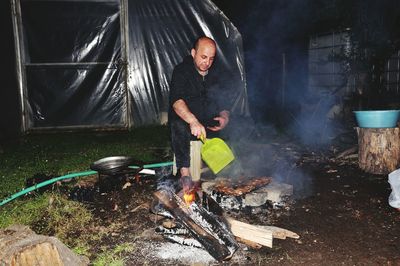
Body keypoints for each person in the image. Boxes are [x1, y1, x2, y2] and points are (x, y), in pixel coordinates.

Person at [169, 36, 230, 192]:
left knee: (242, 123)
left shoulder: (215, 74)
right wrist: (193, 121)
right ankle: (185, 173)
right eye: (203, 57)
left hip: (207, 122)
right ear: (193, 53)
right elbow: (177, 102)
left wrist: (224, 117)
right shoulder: (181, 71)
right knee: (177, 124)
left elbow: (224, 103)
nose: (207, 62)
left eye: (211, 59)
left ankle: (225, 172)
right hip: (187, 123)